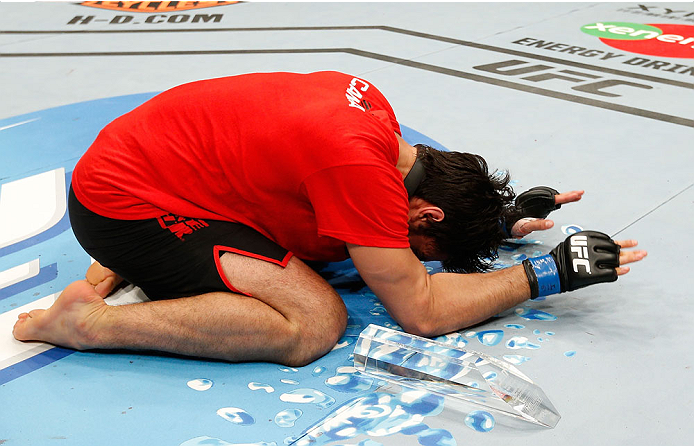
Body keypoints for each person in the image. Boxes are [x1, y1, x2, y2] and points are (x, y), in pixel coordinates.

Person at [12, 71, 646, 366]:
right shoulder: (359, 173)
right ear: (425, 212)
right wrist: (547, 274)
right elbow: (421, 312)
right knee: (314, 321)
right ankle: (88, 323)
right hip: (128, 208)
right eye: (425, 245)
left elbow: (379, 205)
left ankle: (146, 260)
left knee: (339, 251)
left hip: (158, 170)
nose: (416, 259)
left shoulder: (376, 118)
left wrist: (496, 217)